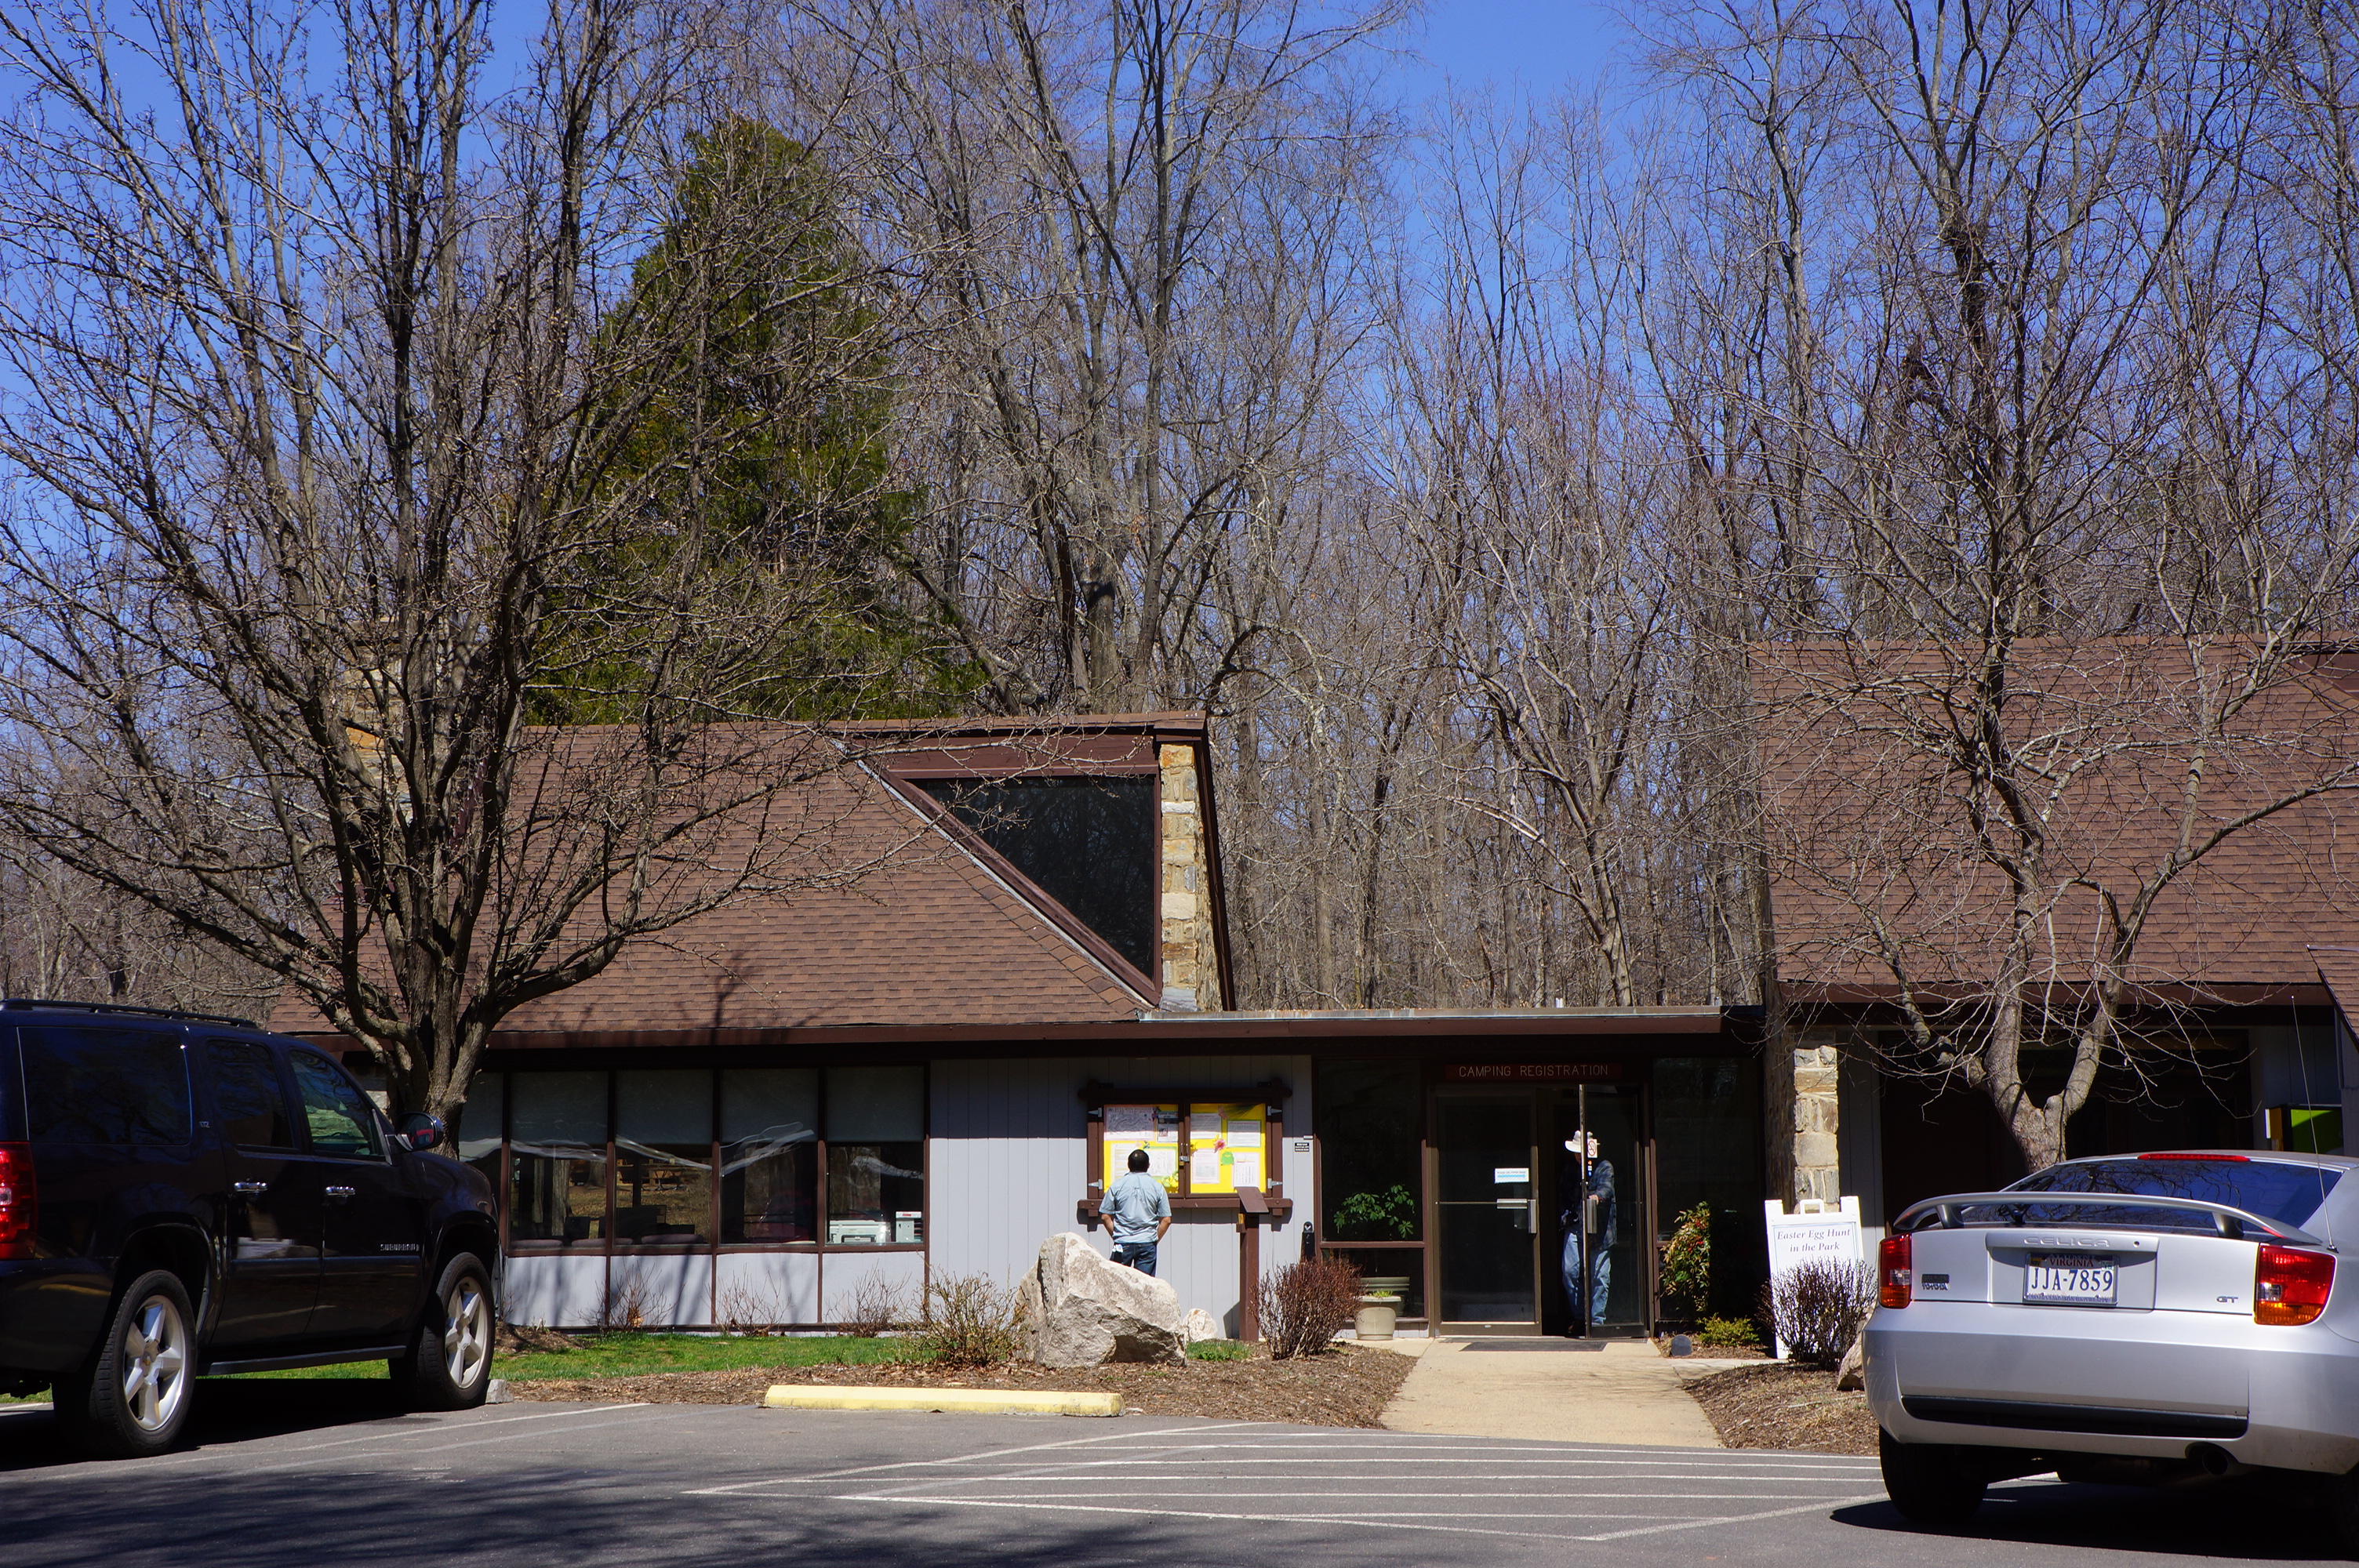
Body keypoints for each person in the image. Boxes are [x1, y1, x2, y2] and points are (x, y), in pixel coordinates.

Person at [1099, 1147, 1172, 1276]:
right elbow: (1166, 1220)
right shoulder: (1157, 1187)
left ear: (1128, 1165)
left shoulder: (1117, 1186)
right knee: (1144, 1287)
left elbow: (1105, 1216)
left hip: (1122, 1242)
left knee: (1117, 1284)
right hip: (1147, 1242)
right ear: (1148, 1165)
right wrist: (1154, 1239)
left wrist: (1117, 1235)